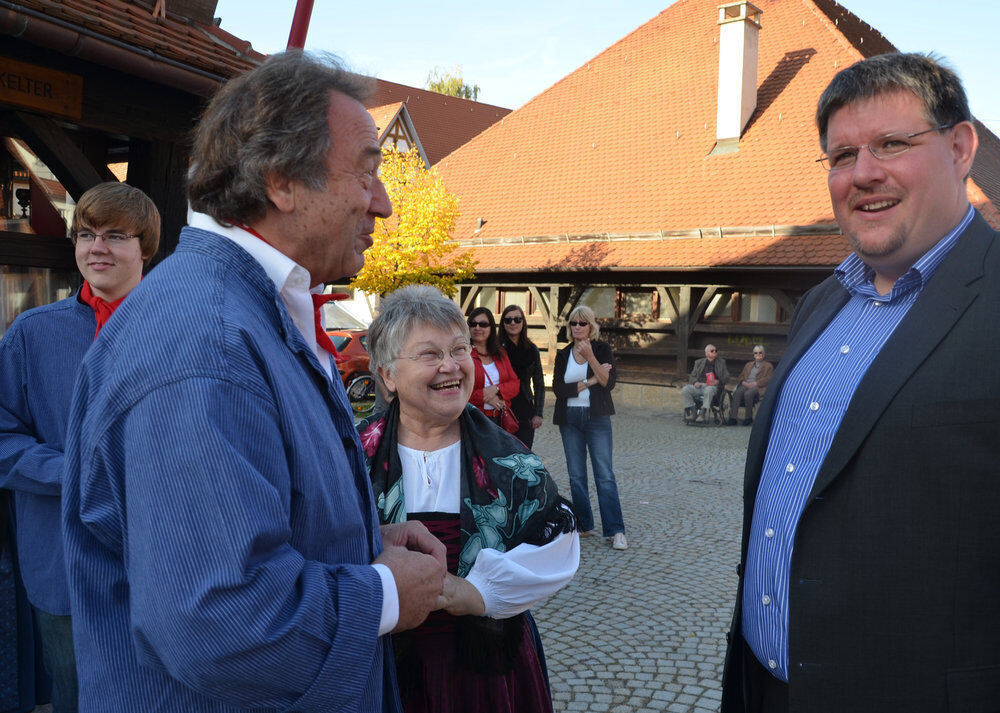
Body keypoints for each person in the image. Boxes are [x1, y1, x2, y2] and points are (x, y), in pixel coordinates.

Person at [61, 52, 446, 712]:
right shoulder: (202, 342)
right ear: (281, 182)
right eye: (367, 171)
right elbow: (222, 621)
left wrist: (354, 541)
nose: (381, 202)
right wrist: (381, 594)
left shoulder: (246, 313)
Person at [721, 53, 1000, 713]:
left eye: (892, 144)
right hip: (764, 685)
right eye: (842, 155)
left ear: (961, 147)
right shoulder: (821, 301)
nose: (863, 173)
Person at [358, 285, 579, 713]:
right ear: (387, 375)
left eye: (459, 350)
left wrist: (479, 593)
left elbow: (559, 542)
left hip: (487, 673)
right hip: (385, 668)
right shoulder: (350, 454)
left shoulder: (511, 458)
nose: (450, 366)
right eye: (429, 354)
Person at [0, 181, 161, 713]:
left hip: (164, 564)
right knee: (75, 702)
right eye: (86, 234)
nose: (98, 247)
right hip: (61, 567)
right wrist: (73, 473)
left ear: (146, 248)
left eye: (116, 235)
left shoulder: (181, 332)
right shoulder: (31, 335)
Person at [552, 305, 628, 550]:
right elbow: (559, 390)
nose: (577, 327)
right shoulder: (563, 354)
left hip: (597, 418)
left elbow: (608, 384)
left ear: (591, 326)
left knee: (604, 475)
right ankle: (584, 524)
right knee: (576, 476)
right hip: (569, 418)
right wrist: (592, 379)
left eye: (582, 323)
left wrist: (592, 359)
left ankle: (616, 530)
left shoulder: (602, 349)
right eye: (573, 323)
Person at [499, 304, 545, 447]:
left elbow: (539, 383)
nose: (513, 323)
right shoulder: (497, 349)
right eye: (508, 320)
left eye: (517, 319)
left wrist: (538, 413)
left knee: (523, 457)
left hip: (525, 410)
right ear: (503, 324)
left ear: (523, 322)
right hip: (501, 409)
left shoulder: (532, 349)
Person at [467, 307, 520, 428]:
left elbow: (515, 384)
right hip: (474, 418)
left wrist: (496, 389)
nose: (477, 328)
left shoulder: (500, 353)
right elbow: (458, 390)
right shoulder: (463, 354)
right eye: (473, 324)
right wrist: (485, 397)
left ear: (491, 328)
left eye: (483, 324)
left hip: (499, 419)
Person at [681, 344, 730, 423]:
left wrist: (718, 381)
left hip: (712, 387)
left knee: (709, 389)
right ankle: (693, 412)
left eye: (715, 351)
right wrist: (695, 382)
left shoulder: (721, 362)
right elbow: (692, 376)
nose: (715, 352)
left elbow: (727, 377)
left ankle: (702, 413)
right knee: (685, 389)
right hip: (700, 386)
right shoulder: (699, 362)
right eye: (712, 351)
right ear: (706, 353)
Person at [725, 345, 773, 426]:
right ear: (753, 354)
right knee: (737, 393)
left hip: (758, 386)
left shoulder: (768, 366)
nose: (758, 354)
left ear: (764, 354)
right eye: (756, 353)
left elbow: (769, 378)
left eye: (760, 352)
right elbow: (741, 376)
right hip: (746, 384)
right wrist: (743, 382)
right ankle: (733, 418)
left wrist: (756, 383)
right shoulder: (748, 365)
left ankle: (748, 418)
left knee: (748, 394)